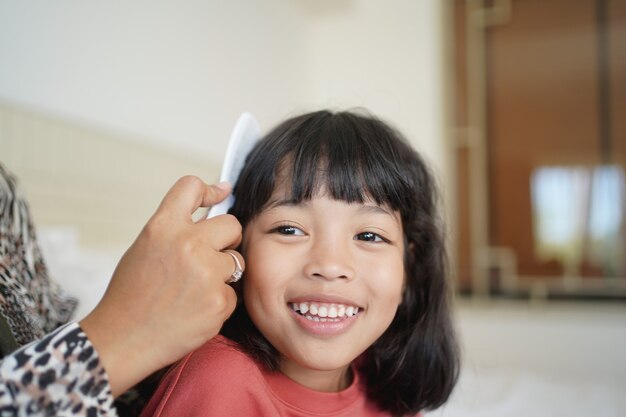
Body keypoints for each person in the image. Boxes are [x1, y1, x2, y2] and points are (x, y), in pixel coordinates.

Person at [141, 110, 460, 417]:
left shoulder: (387, 390)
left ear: (409, 270)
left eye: (369, 236)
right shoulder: (221, 380)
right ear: (236, 250)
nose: (330, 265)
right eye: (289, 229)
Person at [0, 163, 245, 417]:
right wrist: (127, 334)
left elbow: (48, 323)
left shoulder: (6, 196)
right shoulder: (222, 380)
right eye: (285, 229)